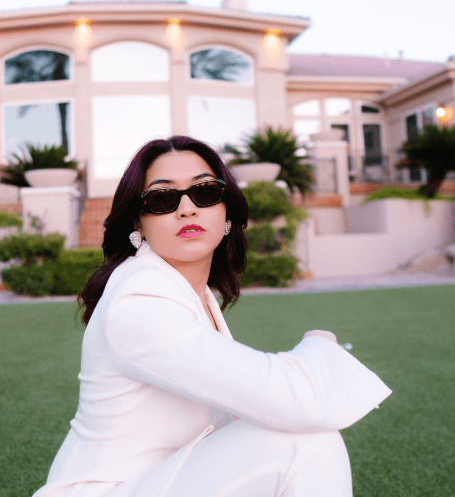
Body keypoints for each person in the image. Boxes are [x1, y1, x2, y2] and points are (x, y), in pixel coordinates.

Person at [32, 136, 391, 497]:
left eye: (204, 191)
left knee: (297, 434)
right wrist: (318, 345)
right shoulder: (139, 297)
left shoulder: (193, 293)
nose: (187, 208)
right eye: (162, 198)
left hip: (160, 482)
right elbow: (291, 400)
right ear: (138, 225)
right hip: (109, 491)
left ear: (226, 213)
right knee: (305, 442)